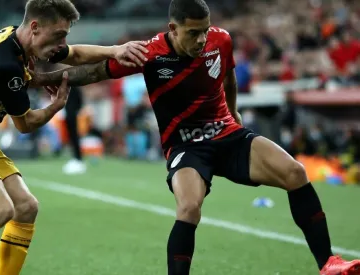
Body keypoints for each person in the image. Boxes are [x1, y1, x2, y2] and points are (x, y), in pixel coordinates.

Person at [31, 0, 360, 274]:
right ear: (173, 29)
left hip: (227, 134)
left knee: (295, 172)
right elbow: (94, 69)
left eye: (204, 30)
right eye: (193, 33)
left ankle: (328, 264)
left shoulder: (221, 39)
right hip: (185, 145)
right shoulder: (151, 53)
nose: (202, 39)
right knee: (189, 208)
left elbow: (228, 77)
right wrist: (41, 79)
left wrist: (233, 114)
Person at [0, 0, 148, 274]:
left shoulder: (19, 39)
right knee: (1, 209)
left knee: (26, 207)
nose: (62, 43)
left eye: (64, 35)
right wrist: (55, 107)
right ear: (35, 27)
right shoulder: (5, 64)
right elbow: (26, 125)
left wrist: (116, 50)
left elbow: (74, 54)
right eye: (58, 36)